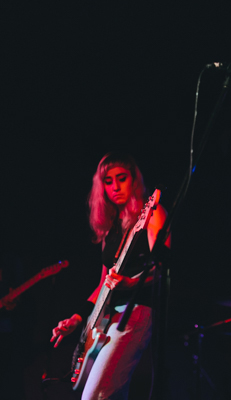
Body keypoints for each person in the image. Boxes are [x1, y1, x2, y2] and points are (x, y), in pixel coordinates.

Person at [50, 152, 170, 399]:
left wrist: (131, 283)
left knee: (95, 396)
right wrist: (76, 318)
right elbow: (102, 285)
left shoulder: (152, 213)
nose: (115, 186)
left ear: (134, 180)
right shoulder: (110, 230)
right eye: (108, 181)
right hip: (105, 319)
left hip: (135, 312)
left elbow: (163, 269)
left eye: (122, 178)